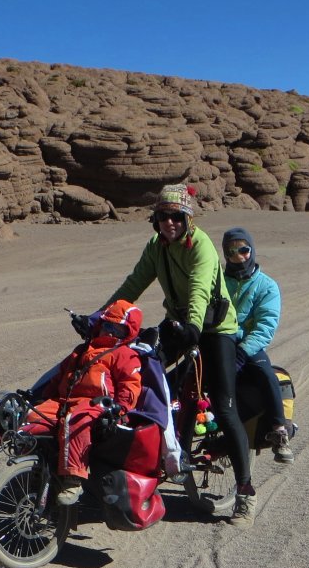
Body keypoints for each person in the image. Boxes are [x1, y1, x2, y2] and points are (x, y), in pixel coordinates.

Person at [102, 184, 256, 526]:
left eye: (176, 216)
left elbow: (199, 290)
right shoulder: (156, 246)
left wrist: (194, 328)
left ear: (188, 219)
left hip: (215, 330)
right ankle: (157, 452)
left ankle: (245, 493)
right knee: (142, 375)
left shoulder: (201, 246)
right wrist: (104, 316)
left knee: (224, 406)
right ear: (155, 220)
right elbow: (134, 284)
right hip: (179, 324)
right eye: (163, 216)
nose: (169, 222)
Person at [20, 300, 144, 506]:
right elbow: (60, 376)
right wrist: (44, 397)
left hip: (98, 404)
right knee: (32, 416)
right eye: (107, 325)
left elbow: (130, 384)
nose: (110, 331)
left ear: (127, 333)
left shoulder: (125, 354)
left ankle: (73, 478)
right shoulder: (82, 349)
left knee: (75, 421)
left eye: (117, 328)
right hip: (65, 400)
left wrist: (121, 408)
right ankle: (36, 468)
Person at [222, 227, 294, 464]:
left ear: (252, 250)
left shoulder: (266, 286)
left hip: (247, 345)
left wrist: (243, 352)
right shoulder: (217, 280)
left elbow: (265, 327)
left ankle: (279, 431)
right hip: (218, 340)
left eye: (243, 249)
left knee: (266, 374)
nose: (239, 256)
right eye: (231, 252)